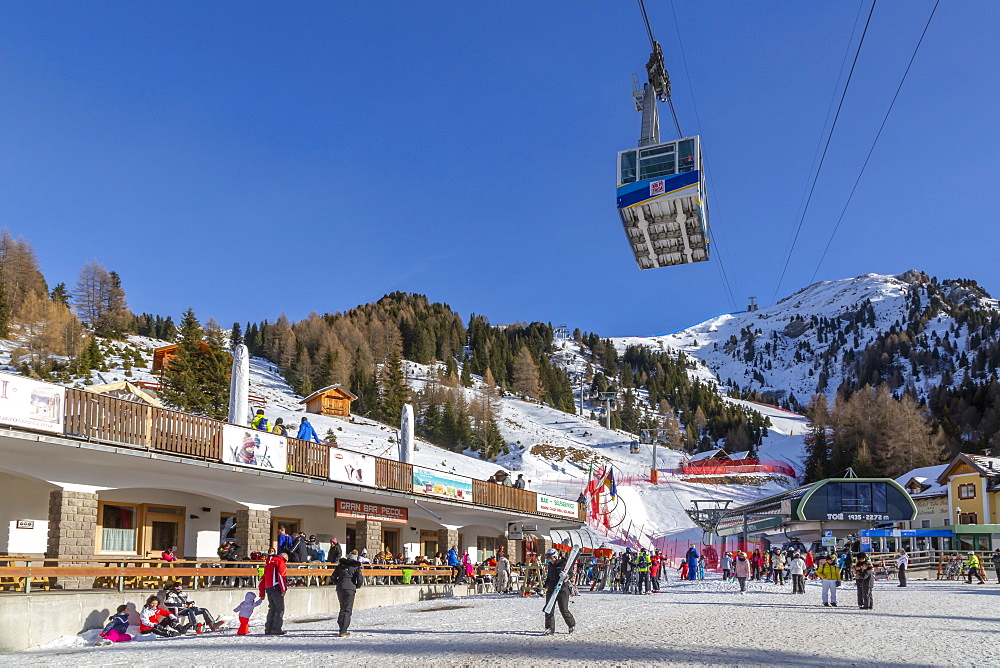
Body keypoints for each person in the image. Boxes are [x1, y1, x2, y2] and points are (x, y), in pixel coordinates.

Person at [542, 548, 575, 636]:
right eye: (548, 558)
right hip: (551, 589)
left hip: (562, 590)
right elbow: (549, 577)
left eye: (551, 558)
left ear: (555, 556)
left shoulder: (563, 563)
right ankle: (549, 628)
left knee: (563, 609)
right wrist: (544, 587)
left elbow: (571, 574)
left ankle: (571, 624)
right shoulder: (550, 565)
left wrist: (566, 576)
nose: (550, 560)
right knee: (548, 609)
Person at [334, 549, 364, 637]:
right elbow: (359, 579)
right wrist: (356, 586)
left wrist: (338, 583)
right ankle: (343, 630)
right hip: (350, 588)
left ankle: (341, 626)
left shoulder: (340, 566)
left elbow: (333, 576)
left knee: (342, 607)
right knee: (347, 609)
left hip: (340, 587)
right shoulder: (356, 567)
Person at [259, 552, 289, 635]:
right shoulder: (280, 562)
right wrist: (283, 589)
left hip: (268, 588)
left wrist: (262, 593)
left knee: (272, 608)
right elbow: (281, 575)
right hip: (276, 587)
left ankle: (268, 629)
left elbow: (262, 580)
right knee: (279, 609)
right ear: (285, 558)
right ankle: (276, 628)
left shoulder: (268, 564)